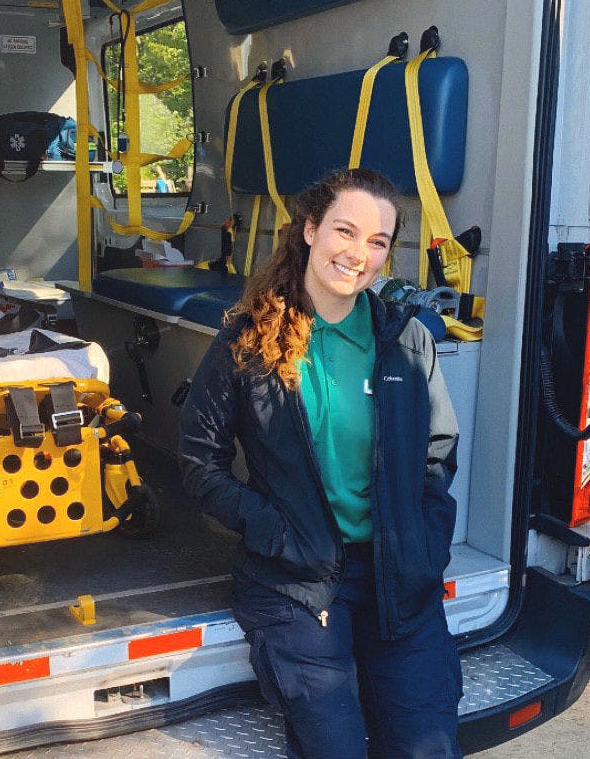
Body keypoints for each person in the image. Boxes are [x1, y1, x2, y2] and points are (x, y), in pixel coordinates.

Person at [178, 168, 462, 759]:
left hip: (398, 578)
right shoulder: (247, 339)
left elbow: (438, 454)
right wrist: (278, 534)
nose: (358, 254)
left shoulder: (406, 340)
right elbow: (199, 461)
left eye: (378, 242)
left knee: (426, 748)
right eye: (345, 231)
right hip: (298, 582)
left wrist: (424, 545)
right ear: (310, 230)